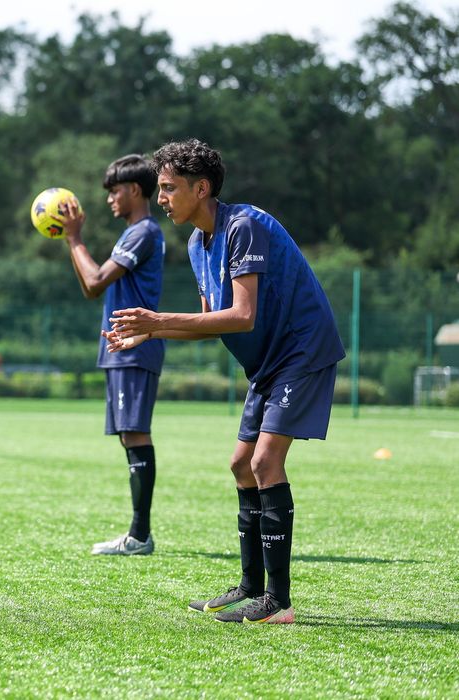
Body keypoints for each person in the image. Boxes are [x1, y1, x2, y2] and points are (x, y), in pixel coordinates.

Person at [106, 139, 344, 624]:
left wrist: (156, 319)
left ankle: (279, 601)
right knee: (241, 465)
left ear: (202, 188)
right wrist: (150, 332)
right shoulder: (197, 243)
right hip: (268, 364)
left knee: (264, 461)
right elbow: (211, 322)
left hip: (301, 351)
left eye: (169, 188)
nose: (161, 197)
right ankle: (250, 587)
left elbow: (242, 315)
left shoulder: (244, 226)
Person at [58, 154, 166, 556]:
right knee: (128, 434)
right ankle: (138, 534)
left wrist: (74, 239)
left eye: (115, 191)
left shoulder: (143, 232)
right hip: (121, 348)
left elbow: (97, 279)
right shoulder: (132, 233)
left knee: (135, 433)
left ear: (135, 190)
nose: (109, 199)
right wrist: (72, 242)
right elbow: (92, 288)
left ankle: (139, 536)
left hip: (135, 346)